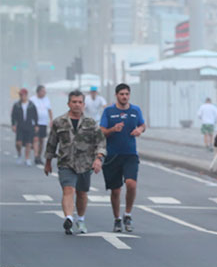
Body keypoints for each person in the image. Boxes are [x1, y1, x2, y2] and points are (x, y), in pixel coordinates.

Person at [44, 91, 106, 235]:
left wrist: (98, 159)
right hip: (66, 163)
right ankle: (69, 218)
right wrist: (48, 162)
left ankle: (81, 219)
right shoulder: (59, 122)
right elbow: (52, 143)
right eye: (74, 102)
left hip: (85, 164)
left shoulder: (91, 123)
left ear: (84, 105)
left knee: (82, 193)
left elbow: (101, 141)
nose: (77, 105)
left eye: (79, 102)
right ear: (68, 104)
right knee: (68, 190)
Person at [99, 83, 146, 233]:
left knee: (131, 184)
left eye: (127, 94)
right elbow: (102, 131)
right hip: (112, 155)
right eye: (121, 94)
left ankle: (128, 214)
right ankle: (117, 219)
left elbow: (143, 125)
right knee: (116, 191)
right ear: (116, 95)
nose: (124, 97)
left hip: (130, 154)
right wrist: (113, 129)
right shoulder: (108, 111)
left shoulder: (135, 110)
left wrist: (139, 129)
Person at [11, 88, 38, 166]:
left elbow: (35, 115)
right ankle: (19, 154)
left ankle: (27, 158)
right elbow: (13, 116)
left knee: (28, 143)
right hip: (20, 126)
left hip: (29, 126)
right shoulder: (17, 105)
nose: (21, 96)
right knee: (18, 143)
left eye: (22, 95)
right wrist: (13, 124)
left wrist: (36, 125)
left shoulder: (31, 105)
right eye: (20, 95)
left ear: (26, 95)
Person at [30, 85, 53, 165]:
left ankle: (39, 156)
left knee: (41, 140)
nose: (44, 93)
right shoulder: (32, 99)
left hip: (43, 122)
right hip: (35, 123)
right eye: (43, 91)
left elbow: (49, 110)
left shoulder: (46, 99)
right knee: (36, 139)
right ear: (39, 92)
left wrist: (51, 120)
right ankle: (36, 156)